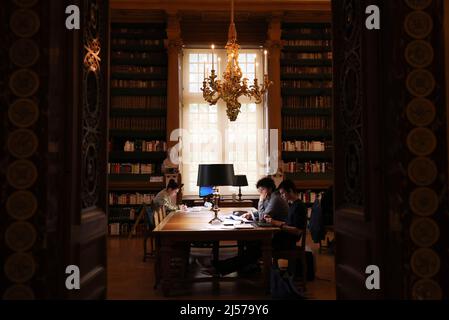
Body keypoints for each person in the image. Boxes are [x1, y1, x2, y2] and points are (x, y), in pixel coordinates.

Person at [212, 177, 290, 276]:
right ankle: (246, 267)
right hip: (274, 231)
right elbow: (263, 212)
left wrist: (260, 200)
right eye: (259, 190)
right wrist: (251, 214)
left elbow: (263, 217)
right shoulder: (271, 196)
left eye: (262, 190)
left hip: (279, 236)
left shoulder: (275, 199)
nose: (260, 192)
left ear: (269, 189)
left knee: (252, 246)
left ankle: (224, 267)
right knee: (249, 243)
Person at [267, 179, 307, 250]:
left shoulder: (299, 206)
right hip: (285, 238)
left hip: (288, 241)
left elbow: (297, 231)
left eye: (283, 193)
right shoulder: (293, 205)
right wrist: (272, 221)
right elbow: (288, 223)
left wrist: (277, 224)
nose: (281, 196)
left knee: (260, 242)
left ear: (290, 191)